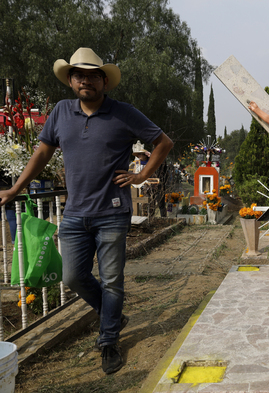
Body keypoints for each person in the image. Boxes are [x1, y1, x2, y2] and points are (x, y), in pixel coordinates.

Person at [0, 47, 173, 374]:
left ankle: (108, 340)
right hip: (75, 213)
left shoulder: (124, 113)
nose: (86, 81)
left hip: (113, 211)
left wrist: (142, 175)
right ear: (70, 80)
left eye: (93, 75)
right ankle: (113, 315)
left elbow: (163, 142)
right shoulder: (61, 113)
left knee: (111, 281)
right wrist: (15, 188)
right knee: (73, 276)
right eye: (79, 75)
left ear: (104, 81)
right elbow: (41, 155)